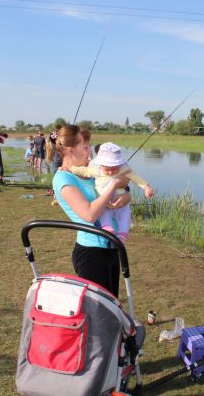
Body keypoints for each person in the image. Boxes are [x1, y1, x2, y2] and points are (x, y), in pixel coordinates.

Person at [52, 125, 131, 297]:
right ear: (71, 150)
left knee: (112, 304)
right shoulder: (63, 178)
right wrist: (114, 186)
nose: (90, 153)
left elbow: (122, 189)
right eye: (86, 147)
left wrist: (126, 197)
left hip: (111, 246)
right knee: (99, 310)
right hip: (91, 253)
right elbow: (89, 214)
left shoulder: (89, 171)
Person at [70, 142, 154, 243]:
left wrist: (146, 187)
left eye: (114, 168)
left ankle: (123, 235)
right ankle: (107, 227)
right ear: (101, 164)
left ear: (119, 164)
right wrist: (70, 168)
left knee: (126, 216)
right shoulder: (97, 170)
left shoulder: (124, 169)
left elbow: (136, 178)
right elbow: (83, 171)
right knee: (104, 214)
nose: (110, 172)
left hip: (122, 204)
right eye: (107, 169)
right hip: (105, 203)